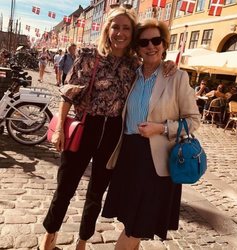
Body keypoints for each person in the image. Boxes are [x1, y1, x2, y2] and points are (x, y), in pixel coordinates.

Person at [39, 7, 176, 250]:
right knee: (65, 188)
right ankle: (49, 238)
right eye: (116, 27)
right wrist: (60, 127)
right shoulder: (89, 55)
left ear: (132, 33)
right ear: (107, 29)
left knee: (95, 194)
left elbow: (154, 68)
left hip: (114, 134)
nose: (120, 33)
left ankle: (82, 241)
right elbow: (68, 94)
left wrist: (168, 65)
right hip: (85, 127)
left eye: (126, 28)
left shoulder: (134, 64)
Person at [102, 18, 200, 249]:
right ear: (137, 48)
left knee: (135, 226)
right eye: (144, 42)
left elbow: (193, 121)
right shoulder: (131, 75)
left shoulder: (177, 77)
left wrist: (162, 128)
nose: (151, 46)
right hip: (129, 156)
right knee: (130, 222)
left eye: (156, 40)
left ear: (164, 44)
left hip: (156, 162)